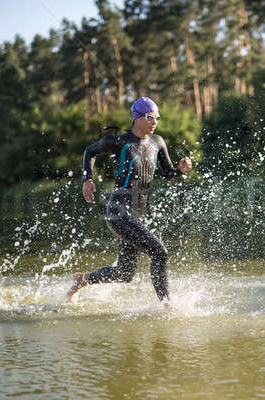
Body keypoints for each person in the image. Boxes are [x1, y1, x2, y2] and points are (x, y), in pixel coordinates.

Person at [66, 97, 192, 304]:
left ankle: (82, 279)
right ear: (137, 117)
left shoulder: (157, 142)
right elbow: (90, 151)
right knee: (160, 253)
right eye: (150, 117)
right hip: (118, 212)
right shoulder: (117, 141)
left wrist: (179, 169)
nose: (155, 121)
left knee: (124, 273)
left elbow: (168, 174)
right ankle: (167, 305)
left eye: (158, 117)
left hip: (138, 215)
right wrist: (87, 179)